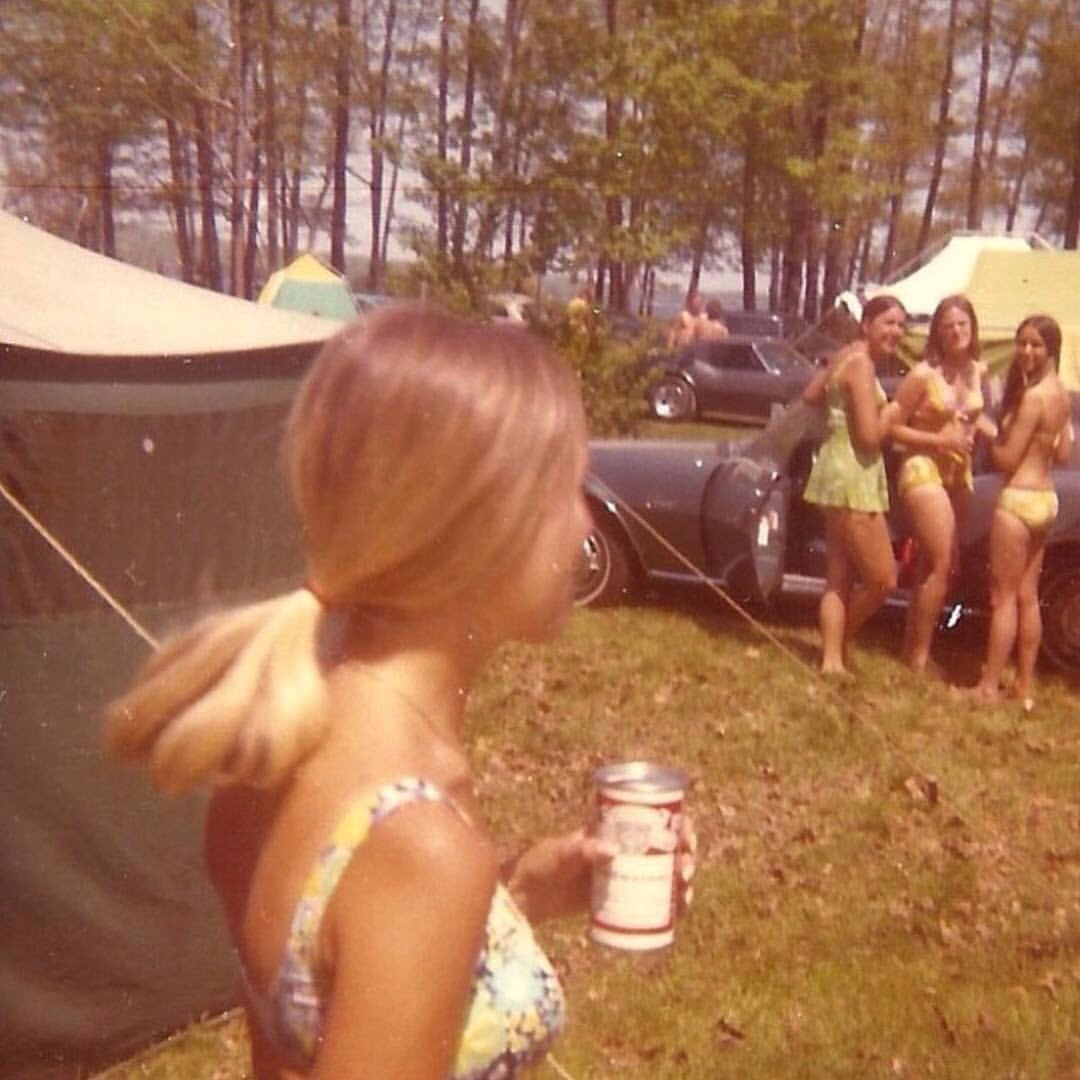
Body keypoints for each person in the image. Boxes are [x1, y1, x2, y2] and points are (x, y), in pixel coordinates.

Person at [106, 305, 694, 1078]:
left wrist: (516, 893)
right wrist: (458, 893)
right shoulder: (422, 849)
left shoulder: (276, 752)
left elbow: (315, 1008)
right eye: (566, 486)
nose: (585, 522)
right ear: (481, 526)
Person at [801, 294, 917, 675]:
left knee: (838, 575)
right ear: (866, 325)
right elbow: (869, 437)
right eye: (888, 323)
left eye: (901, 325)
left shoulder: (847, 355)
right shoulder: (862, 366)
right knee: (883, 579)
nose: (896, 332)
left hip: (834, 472)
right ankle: (836, 645)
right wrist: (895, 411)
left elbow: (811, 394)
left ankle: (832, 659)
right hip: (853, 476)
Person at [889, 295, 998, 674]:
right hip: (922, 466)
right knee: (940, 561)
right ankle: (919, 657)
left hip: (958, 472)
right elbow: (893, 427)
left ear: (972, 327)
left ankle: (912, 648)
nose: (955, 331)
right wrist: (939, 440)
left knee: (936, 565)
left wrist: (1008, 440)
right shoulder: (923, 374)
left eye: (962, 324)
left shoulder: (979, 372)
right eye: (948, 326)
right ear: (937, 333)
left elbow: (978, 419)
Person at [972, 314, 1074, 708]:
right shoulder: (1061, 394)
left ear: (1051, 349)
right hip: (1046, 499)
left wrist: (988, 431)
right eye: (1022, 343)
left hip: (1017, 498)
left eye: (1036, 344)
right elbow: (1063, 453)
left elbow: (1006, 459)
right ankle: (1024, 684)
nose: (1026, 351)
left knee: (1003, 597)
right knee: (1029, 596)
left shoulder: (1032, 398)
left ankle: (988, 685)